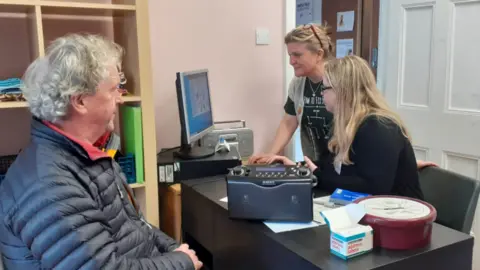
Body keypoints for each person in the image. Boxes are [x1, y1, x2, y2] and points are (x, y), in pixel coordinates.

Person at [0, 34, 202, 270]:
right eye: (115, 89)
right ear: (80, 101)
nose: (120, 98)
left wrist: (176, 252)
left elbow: (138, 229)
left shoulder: (88, 153)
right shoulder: (50, 186)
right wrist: (181, 262)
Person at [248, 23, 436, 171]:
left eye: (297, 54)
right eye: (289, 55)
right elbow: (289, 122)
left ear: (319, 54)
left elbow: (369, 122)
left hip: (346, 168)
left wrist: (397, 160)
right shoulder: (298, 85)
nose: (291, 61)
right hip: (319, 166)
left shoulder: (344, 81)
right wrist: (270, 156)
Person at [265, 55, 424, 199]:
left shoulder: (379, 126)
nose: (321, 94)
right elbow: (332, 167)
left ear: (343, 91)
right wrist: (298, 168)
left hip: (399, 218)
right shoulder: (347, 124)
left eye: (325, 88)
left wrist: (316, 175)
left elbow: (373, 187)